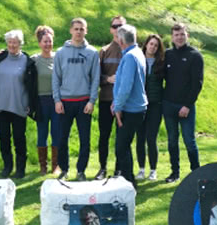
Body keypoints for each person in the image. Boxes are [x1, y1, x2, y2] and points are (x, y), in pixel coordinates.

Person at [0, 29, 38, 179]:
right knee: (4, 138)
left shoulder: (27, 62)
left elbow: (32, 86)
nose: (12, 45)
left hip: (19, 106)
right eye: (10, 42)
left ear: (20, 44)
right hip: (1, 106)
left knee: (20, 139)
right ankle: (7, 166)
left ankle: (20, 169)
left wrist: (31, 105)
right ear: (6, 43)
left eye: (15, 42)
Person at [52, 18, 100, 181]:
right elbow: (55, 78)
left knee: (84, 139)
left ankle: (81, 171)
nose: (79, 32)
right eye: (76, 29)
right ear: (70, 31)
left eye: (82, 29)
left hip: (84, 102)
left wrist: (92, 101)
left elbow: (95, 79)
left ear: (86, 31)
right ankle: (64, 170)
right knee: (61, 138)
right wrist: (57, 100)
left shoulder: (92, 53)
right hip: (65, 102)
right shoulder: (60, 53)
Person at [162, 23, 203, 183]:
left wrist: (187, 105)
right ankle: (174, 172)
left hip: (186, 106)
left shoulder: (195, 56)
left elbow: (197, 84)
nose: (179, 37)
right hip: (168, 104)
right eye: (176, 35)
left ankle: (196, 173)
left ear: (187, 35)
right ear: (172, 37)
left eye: (182, 34)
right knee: (172, 140)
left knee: (189, 140)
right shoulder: (167, 55)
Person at [110, 24, 147, 185]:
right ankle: (127, 179)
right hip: (135, 107)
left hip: (130, 109)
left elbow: (126, 86)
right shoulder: (137, 53)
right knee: (124, 146)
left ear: (121, 40)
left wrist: (118, 107)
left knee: (121, 147)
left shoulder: (130, 56)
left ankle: (128, 182)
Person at [94, 15, 126, 180]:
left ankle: (120, 169)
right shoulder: (105, 50)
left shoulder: (130, 50)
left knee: (122, 137)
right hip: (106, 99)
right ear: (110, 29)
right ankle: (102, 168)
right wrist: (107, 79)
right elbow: (95, 77)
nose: (117, 29)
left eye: (121, 26)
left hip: (125, 103)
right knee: (104, 135)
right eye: (115, 26)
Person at [135, 34, 165, 180]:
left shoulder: (161, 63)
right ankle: (141, 168)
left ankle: (153, 169)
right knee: (140, 137)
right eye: (151, 44)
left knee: (151, 138)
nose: (152, 47)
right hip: (139, 104)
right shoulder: (137, 59)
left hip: (155, 104)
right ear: (146, 44)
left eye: (156, 45)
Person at [32, 25, 60, 175]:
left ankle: (56, 165)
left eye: (50, 41)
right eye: (45, 41)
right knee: (42, 133)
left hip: (56, 100)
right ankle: (43, 166)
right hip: (41, 102)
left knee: (56, 133)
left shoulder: (58, 58)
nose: (48, 44)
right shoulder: (34, 60)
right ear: (39, 43)